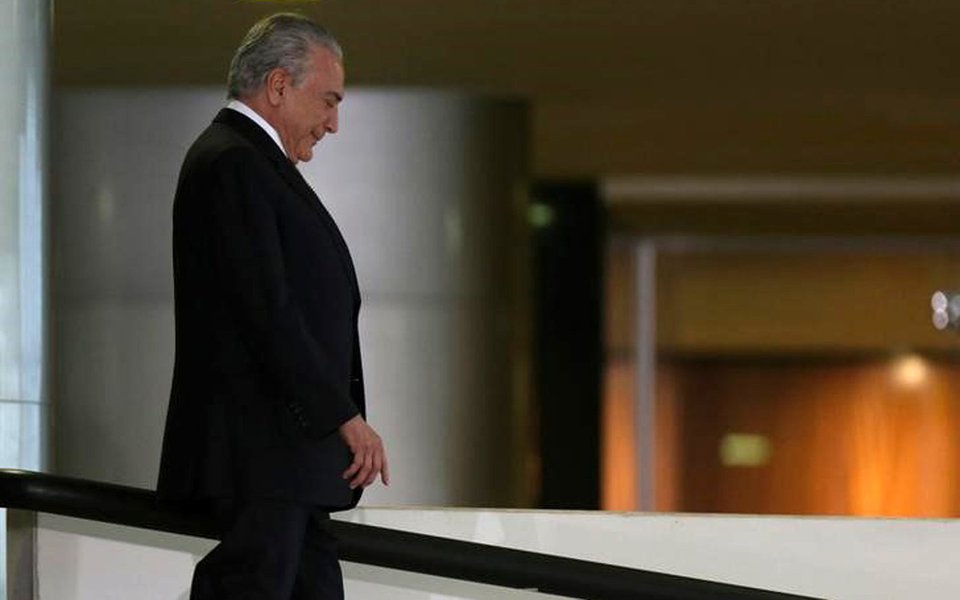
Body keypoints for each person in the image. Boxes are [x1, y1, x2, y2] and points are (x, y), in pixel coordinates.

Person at [157, 13, 388, 600]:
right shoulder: (234, 162)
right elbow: (267, 311)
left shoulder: (250, 162)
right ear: (280, 86)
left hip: (288, 464)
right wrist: (342, 415)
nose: (334, 124)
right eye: (329, 100)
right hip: (263, 459)